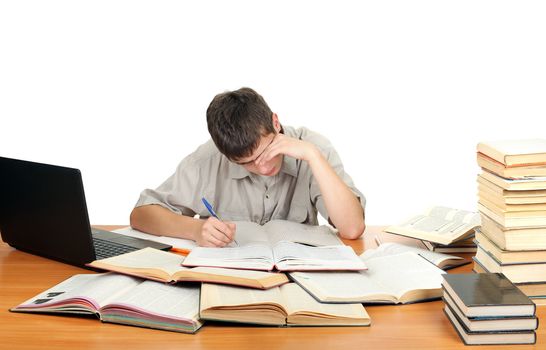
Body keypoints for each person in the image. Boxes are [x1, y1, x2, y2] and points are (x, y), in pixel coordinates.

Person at [130, 87, 366, 247]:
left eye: (266, 151)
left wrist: (313, 157)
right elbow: (141, 215)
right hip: (228, 281)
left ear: (275, 122)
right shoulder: (209, 159)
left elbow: (352, 229)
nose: (262, 167)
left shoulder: (313, 148)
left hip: (300, 281)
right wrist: (194, 229)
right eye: (247, 163)